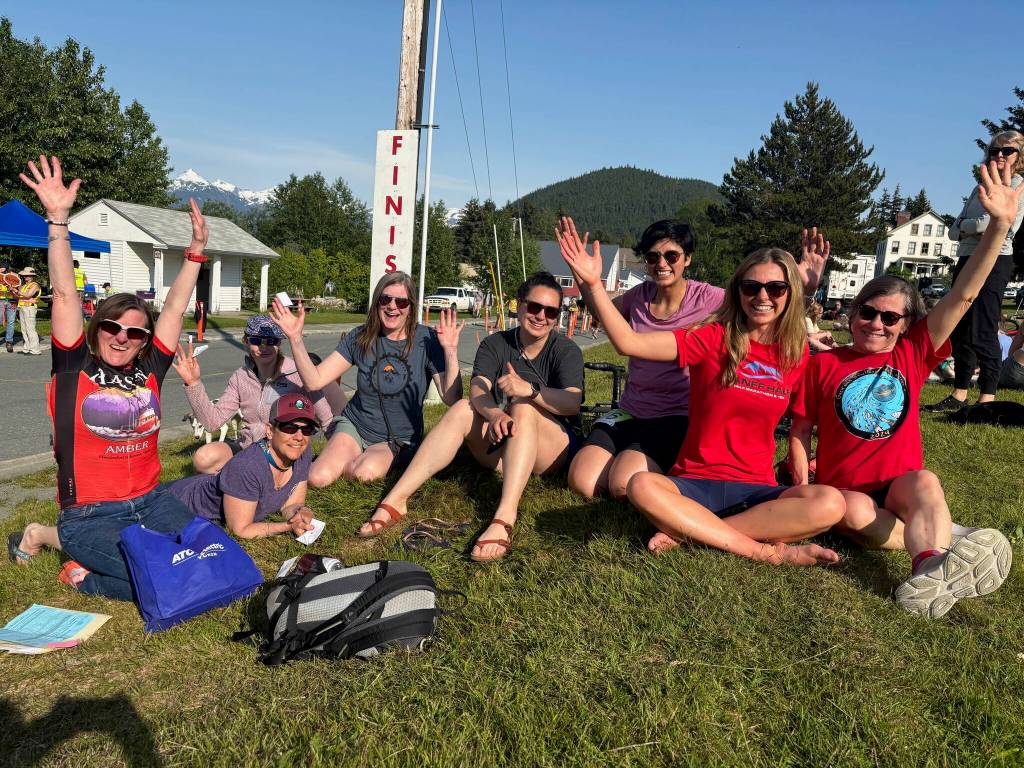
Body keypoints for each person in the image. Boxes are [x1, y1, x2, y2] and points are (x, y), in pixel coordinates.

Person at [789, 160, 1021, 617]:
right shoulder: (824, 363)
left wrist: (999, 228)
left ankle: (929, 567)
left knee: (924, 482)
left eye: (889, 317)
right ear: (852, 314)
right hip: (846, 492)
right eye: (867, 312)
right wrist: (801, 489)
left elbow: (964, 296)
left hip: (896, 485)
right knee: (850, 513)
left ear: (906, 326)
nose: (876, 323)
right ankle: (952, 537)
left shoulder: (912, 354)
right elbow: (799, 432)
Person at [558, 217, 844, 566]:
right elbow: (627, 341)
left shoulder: (796, 355)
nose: (762, 297)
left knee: (832, 502)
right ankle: (761, 550)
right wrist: (592, 283)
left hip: (756, 486)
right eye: (751, 287)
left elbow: (804, 426)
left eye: (776, 289)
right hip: (693, 480)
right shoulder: (713, 337)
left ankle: (695, 529)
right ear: (738, 292)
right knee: (639, 486)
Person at [7, 155, 207, 601]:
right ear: (98, 329)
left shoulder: (150, 367)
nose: (122, 337)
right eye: (113, 327)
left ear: (143, 340)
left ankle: (80, 550)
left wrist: (195, 252)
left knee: (212, 554)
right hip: (90, 512)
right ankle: (68, 559)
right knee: (160, 574)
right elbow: (62, 293)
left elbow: (173, 309)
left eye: (135, 332)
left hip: (151, 500)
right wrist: (57, 219)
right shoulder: (73, 365)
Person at [368, 271, 584, 561]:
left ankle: (504, 517)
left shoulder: (565, 349)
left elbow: (572, 402)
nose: (541, 316)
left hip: (552, 450)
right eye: (534, 307)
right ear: (519, 306)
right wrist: (494, 415)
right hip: (506, 440)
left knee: (523, 407)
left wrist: (530, 391)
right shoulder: (496, 344)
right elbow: (478, 388)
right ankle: (397, 499)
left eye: (550, 311)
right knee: (460, 409)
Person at [568, 220, 724, 500]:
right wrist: (582, 277)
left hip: (675, 414)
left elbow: (755, 309)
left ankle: (665, 471)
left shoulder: (708, 298)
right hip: (630, 409)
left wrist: (805, 299)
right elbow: (602, 312)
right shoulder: (638, 297)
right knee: (582, 481)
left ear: (687, 259)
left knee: (621, 485)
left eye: (671, 256)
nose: (661, 264)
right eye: (653, 257)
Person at [271, 271, 463, 487]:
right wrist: (296, 339)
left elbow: (451, 397)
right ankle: (345, 455)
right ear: (376, 302)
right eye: (385, 299)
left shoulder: (427, 340)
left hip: (397, 439)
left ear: (410, 307)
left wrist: (450, 351)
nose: (392, 306)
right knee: (318, 477)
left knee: (363, 473)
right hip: (356, 425)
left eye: (401, 301)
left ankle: (369, 459)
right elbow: (315, 381)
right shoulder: (361, 336)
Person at [925, 130, 1024, 412]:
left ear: (1019, 156)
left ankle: (987, 398)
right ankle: (958, 394)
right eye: (994, 151)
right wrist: (972, 225)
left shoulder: (1018, 185)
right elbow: (955, 230)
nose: (999, 156)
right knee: (961, 325)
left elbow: (991, 226)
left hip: (994, 260)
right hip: (967, 257)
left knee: (983, 326)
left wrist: (972, 225)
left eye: (1007, 151)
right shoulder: (978, 187)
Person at [173, 315, 336, 475]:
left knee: (258, 470)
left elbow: (327, 419)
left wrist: (334, 457)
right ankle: (239, 477)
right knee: (204, 458)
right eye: (256, 340)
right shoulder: (240, 377)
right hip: (249, 447)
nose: (263, 347)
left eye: (271, 341)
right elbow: (211, 422)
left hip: (286, 451)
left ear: (279, 343)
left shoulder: (298, 374)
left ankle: (250, 477)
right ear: (246, 341)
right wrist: (193, 383)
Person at [168, 392, 317, 539]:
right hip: (174, 504)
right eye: (289, 428)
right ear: (270, 431)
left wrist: (301, 512)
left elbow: (291, 504)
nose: (299, 437)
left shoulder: (301, 452)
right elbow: (241, 529)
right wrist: (287, 527)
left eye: (307, 429)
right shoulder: (247, 467)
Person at [16, 267, 42, 355]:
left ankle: (35, 350)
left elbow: (28, 295)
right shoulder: (24, 286)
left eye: (28, 275)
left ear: (32, 276)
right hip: (22, 308)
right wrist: (13, 290)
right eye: (25, 275)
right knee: (24, 329)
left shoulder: (35, 285)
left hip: (30, 308)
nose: (26, 277)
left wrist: (18, 291)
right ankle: (27, 348)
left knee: (30, 329)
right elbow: (18, 296)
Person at [0, 264, 18, 353]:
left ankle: (9, 342)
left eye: (3, 268)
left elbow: (18, 288)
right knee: (0, 320)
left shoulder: (13, 276)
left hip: (12, 301)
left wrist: (12, 288)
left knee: (11, 322)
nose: (1, 270)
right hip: (1, 301)